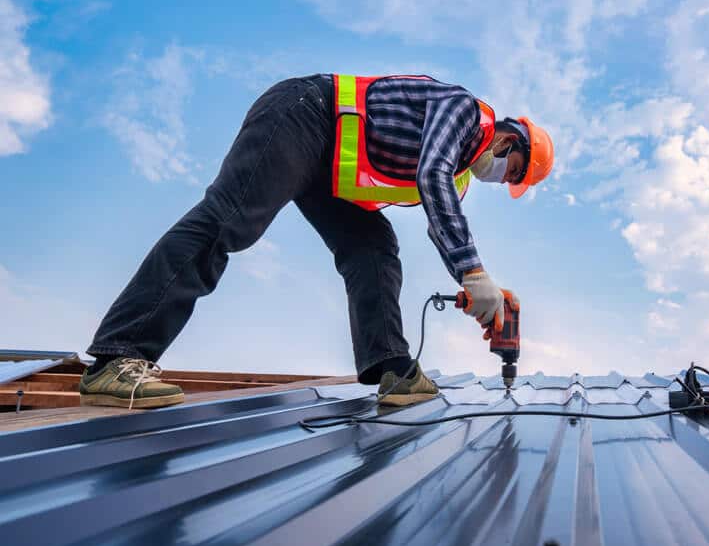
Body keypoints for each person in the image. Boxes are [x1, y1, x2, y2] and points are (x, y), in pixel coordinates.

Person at [79, 73, 554, 409]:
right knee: (230, 220)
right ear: (509, 139)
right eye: (510, 170)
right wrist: (474, 272)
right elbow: (431, 175)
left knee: (373, 249)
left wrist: (475, 283)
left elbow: (441, 218)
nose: (500, 177)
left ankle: (392, 369)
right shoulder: (465, 112)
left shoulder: (461, 173)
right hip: (306, 113)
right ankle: (119, 357)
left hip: (329, 170)